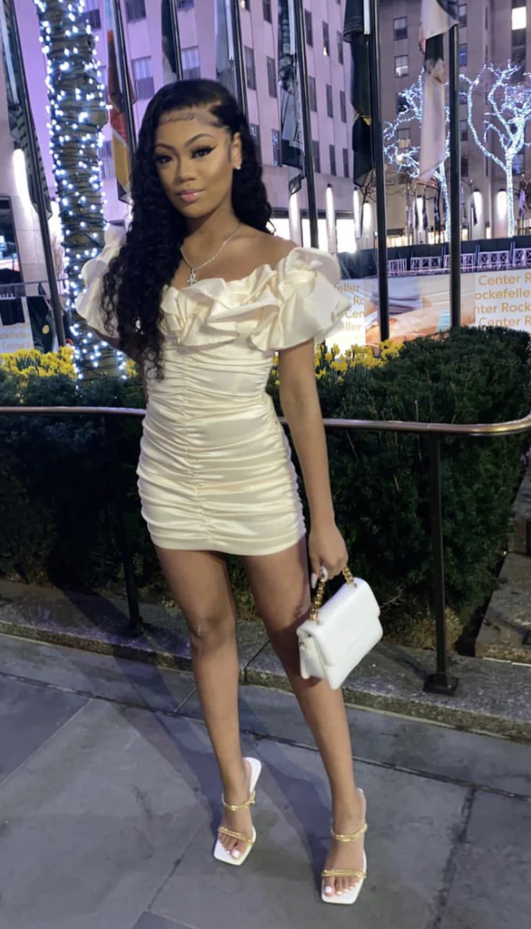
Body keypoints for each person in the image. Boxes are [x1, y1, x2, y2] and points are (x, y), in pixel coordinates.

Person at [76, 79, 367, 906]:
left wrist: (324, 520)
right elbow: (151, 371)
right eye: (165, 158)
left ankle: (348, 806)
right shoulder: (137, 264)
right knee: (205, 631)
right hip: (168, 478)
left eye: (200, 151)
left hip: (254, 481)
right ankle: (236, 788)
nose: (182, 172)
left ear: (236, 150)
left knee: (297, 647)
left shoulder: (284, 266)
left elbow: (300, 400)